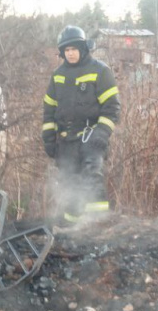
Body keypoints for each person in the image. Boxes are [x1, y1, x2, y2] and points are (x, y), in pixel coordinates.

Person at [42, 25, 120, 223]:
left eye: (74, 49)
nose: (71, 53)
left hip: (91, 137)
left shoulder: (100, 71)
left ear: (83, 48)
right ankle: (73, 228)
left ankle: (97, 225)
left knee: (92, 179)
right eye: (67, 50)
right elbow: (49, 109)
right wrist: (49, 140)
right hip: (66, 141)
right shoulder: (58, 75)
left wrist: (101, 134)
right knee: (69, 184)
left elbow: (111, 108)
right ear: (62, 52)